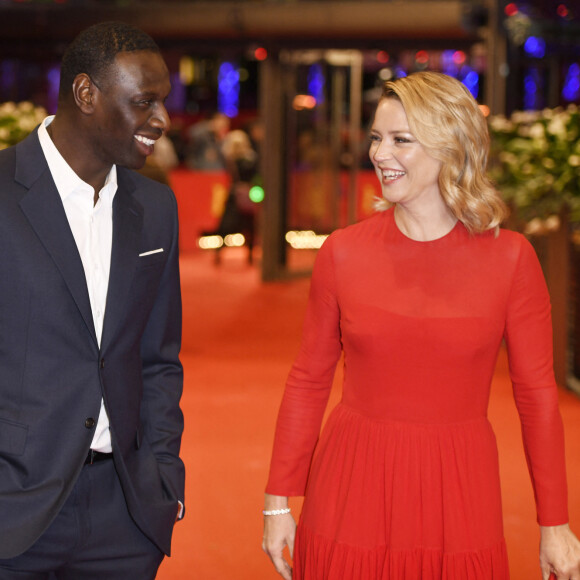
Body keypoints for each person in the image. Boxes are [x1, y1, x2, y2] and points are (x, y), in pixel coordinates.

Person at [262, 71, 580, 580]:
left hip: (459, 488)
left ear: (450, 146)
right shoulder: (342, 252)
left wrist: (555, 523)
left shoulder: (511, 258)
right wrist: (278, 500)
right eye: (376, 138)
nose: (379, 154)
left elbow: (538, 394)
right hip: (352, 485)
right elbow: (308, 379)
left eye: (400, 140)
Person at [0, 21, 185, 579]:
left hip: (125, 516)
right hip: (14, 511)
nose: (163, 120)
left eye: (164, 101)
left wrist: (164, 480)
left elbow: (158, 357)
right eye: (144, 101)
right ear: (86, 94)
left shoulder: (155, 207)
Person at [215, 129, 260, 264]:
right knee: (227, 226)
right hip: (239, 196)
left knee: (246, 226)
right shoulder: (233, 160)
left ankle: (250, 255)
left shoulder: (247, 159)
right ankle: (219, 253)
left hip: (241, 195)